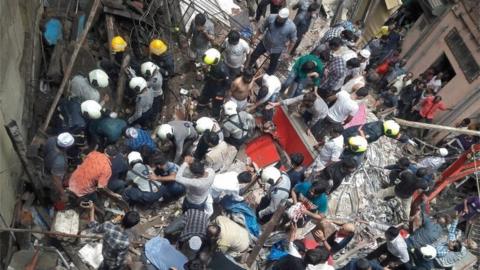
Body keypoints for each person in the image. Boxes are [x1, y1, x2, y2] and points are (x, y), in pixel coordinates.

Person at [87, 203, 140, 270]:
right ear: (132, 226)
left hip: (105, 256)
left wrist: (92, 210)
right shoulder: (125, 242)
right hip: (112, 265)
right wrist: (127, 260)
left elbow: (93, 227)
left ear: (123, 218)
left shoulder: (108, 225)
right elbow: (119, 262)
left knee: (103, 266)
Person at [248, 8, 297, 75]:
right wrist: (254, 38)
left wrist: (288, 53)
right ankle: (248, 68)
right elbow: (261, 28)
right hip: (265, 43)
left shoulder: (291, 27)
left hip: (277, 49)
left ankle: (267, 76)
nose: (278, 20)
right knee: (254, 55)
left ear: (285, 19)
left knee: (273, 65)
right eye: (278, 18)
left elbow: (293, 41)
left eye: (280, 19)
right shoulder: (271, 17)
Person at [197, 48, 230, 118]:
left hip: (219, 87)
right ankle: (200, 108)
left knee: (217, 103)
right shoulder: (212, 61)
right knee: (204, 96)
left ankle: (215, 116)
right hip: (210, 82)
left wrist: (225, 91)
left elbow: (228, 82)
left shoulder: (223, 69)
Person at [43, 132, 75, 203]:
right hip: (49, 173)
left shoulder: (52, 139)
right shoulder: (59, 161)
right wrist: (63, 194)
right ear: (66, 147)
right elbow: (56, 180)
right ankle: (50, 200)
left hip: (47, 160)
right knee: (55, 190)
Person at [342, 120, 411, 145]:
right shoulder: (375, 133)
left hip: (351, 130)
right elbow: (360, 138)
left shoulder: (380, 123)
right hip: (348, 137)